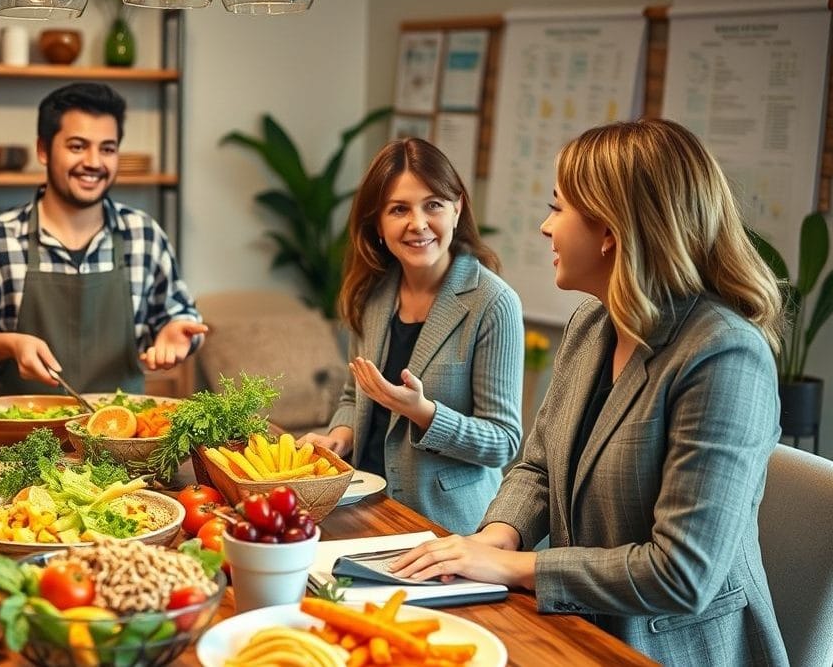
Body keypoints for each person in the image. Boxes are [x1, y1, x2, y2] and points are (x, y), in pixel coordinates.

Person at [389, 119, 788, 665]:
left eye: (557, 208)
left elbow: (682, 575)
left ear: (610, 231)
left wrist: (516, 568)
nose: (544, 228)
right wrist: (499, 536)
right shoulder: (592, 324)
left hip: (671, 648)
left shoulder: (724, 357)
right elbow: (537, 468)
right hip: (579, 627)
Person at [298, 138, 524, 534]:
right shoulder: (370, 293)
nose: (418, 223)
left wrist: (423, 412)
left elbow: (502, 441)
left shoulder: (493, 302)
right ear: (378, 225)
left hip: (446, 525)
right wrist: (339, 436)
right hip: (363, 506)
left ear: (457, 210)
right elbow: (356, 394)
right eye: (399, 209)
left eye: (433, 204)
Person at [0, 82, 206, 396]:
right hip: (18, 437)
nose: (94, 162)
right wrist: (9, 344)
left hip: (122, 436)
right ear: (43, 150)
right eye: (77, 146)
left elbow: (183, 318)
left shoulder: (144, 236)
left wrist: (177, 332)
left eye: (108, 149)